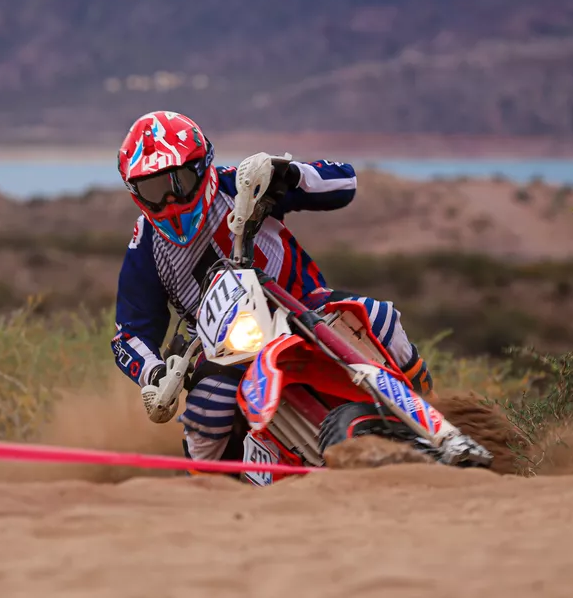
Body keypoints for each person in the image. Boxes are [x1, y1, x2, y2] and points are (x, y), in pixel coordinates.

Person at [111, 110, 433, 462]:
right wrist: (154, 373)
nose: (170, 201)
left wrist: (288, 173)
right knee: (205, 416)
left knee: (380, 318)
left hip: (304, 305)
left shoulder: (241, 185)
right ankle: (204, 495)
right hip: (221, 347)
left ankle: (430, 404)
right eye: (154, 189)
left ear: (203, 169)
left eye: (180, 182)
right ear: (135, 193)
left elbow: (344, 181)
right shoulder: (145, 247)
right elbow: (129, 333)